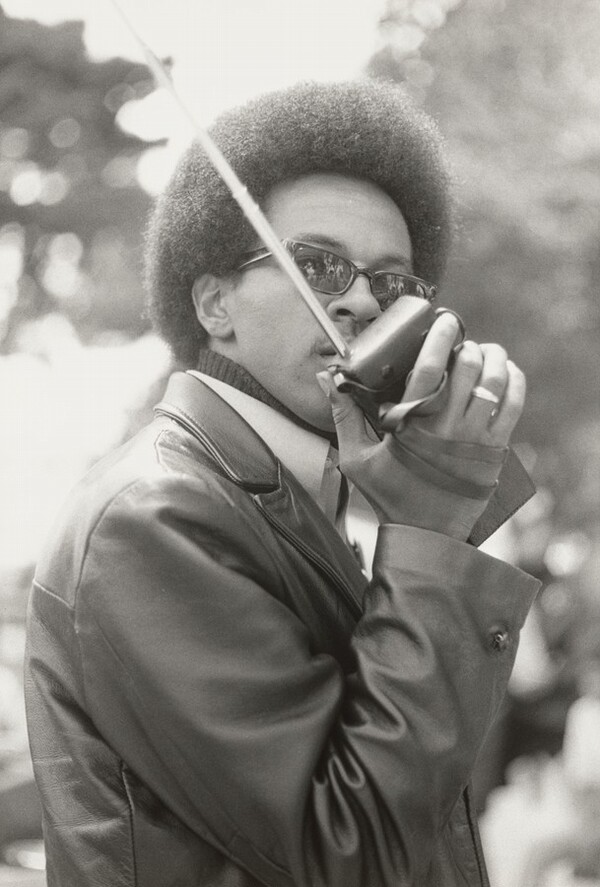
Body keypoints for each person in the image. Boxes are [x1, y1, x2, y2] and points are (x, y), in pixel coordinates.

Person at [25, 79, 540, 887]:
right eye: (318, 266)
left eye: (392, 282)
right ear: (215, 304)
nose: (361, 300)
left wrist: (439, 504)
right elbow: (350, 852)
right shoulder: (158, 515)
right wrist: (432, 538)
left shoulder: (322, 496)